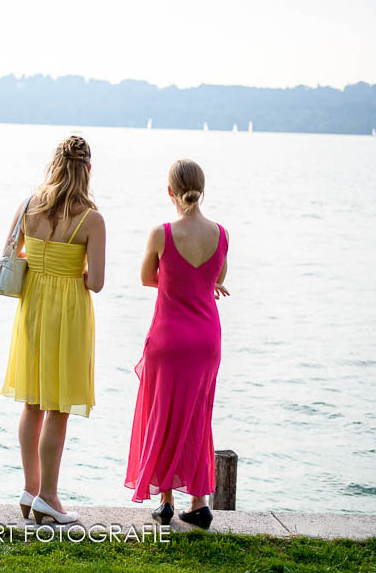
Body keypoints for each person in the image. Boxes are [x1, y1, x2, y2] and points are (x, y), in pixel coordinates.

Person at [0, 136, 106, 525]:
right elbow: (95, 282)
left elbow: (11, 254)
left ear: (54, 165)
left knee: (32, 403)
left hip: (33, 307)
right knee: (58, 407)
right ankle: (49, 496)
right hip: (69, 313)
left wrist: (44, 261)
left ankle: (30, 490)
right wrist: (69, 267)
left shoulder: (30, 205)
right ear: (88, 170)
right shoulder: (91, 218)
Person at [124, 158, 230, 530]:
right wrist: (202, 286)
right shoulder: (222, 234)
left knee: (163, 414)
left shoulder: (161, 233)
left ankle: (166, 501)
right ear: (203, 188)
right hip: (205, 339)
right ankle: (199, 503)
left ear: (170, 192)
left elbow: (146, 278)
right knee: (197, 417)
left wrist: (177, 284)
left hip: (169, 338)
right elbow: (215, 276)